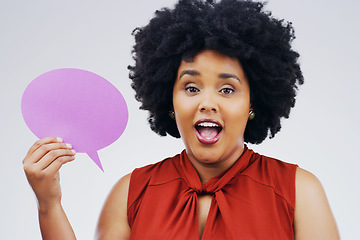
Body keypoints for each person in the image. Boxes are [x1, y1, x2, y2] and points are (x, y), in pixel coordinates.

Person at [22, 0, 340, 239]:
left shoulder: (299, 191)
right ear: (169, 100)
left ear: (252, 104)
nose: (207, 103)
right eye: (191, 87)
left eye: (227, 89)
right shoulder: (131, 191)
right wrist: (49, 205)